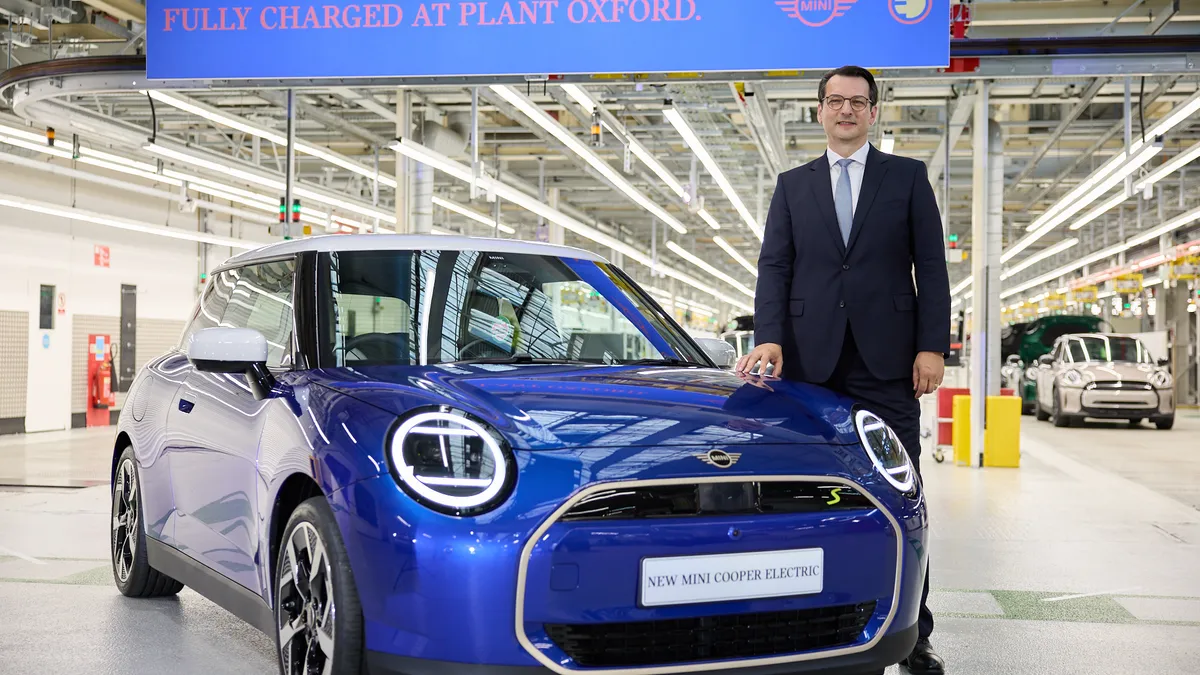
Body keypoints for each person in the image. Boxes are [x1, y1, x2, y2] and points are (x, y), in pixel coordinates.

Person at [736, 65, 950, 674]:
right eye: (836, 101)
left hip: (888, 367)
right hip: (808, 364)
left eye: (858, 101)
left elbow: (930, 267)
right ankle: (804, 622)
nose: (847, 110)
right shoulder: (793, 185)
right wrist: (770, 337)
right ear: (820, 110)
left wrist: (932, 346)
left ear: (874, 111)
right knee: (802, 496)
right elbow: (773, 267)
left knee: (901, 496)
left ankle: (913, 632)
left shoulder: (906, 178)